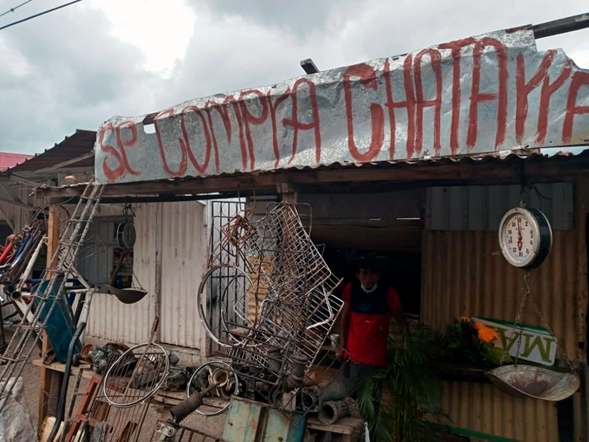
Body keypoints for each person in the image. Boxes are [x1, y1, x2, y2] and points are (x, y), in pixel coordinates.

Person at [338, 257, 408, 390]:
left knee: (372, 401)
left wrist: (406, 345)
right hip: (352, 355)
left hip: (375, 358)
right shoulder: (351, 289)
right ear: (358, 275)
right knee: (348, 398)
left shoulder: (388, 292)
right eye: (364, 273)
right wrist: (342, 346)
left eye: (372, 274)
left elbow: (401, 320)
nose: (368, 278)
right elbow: (344, 317)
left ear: (378, 276)